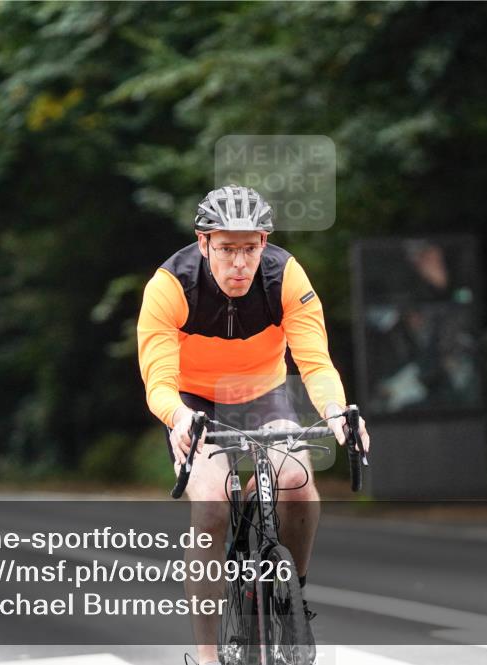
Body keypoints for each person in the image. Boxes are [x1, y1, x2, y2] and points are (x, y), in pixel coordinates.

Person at [137, 184, 370, 665]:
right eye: (226, 249)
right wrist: (179, 417)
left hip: (262, 395)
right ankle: (206, 656)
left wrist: (335, 412)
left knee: (297, 483)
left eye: (249, 248)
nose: (239, 263)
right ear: (204, 244)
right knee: (212, 507)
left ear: (264, 242)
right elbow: (157, 379)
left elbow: (316, 362)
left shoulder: (284, 276)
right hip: (194, 401)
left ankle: (294, 599)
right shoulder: (170, 286)